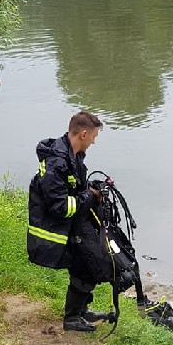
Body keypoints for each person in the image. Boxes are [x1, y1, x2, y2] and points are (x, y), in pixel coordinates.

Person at [27, 111, 107, 332]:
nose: (94, 141)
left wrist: (93, 189)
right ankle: (72, 319)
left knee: (88, 263)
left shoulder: (74, 155)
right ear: (83, 134)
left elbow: (75, 189)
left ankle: (80, 312)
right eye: (94, 136)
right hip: (55, 228)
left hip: (71, 224)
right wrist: (90, 197)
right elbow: (59, 207)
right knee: (85, 263)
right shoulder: (56, 162)